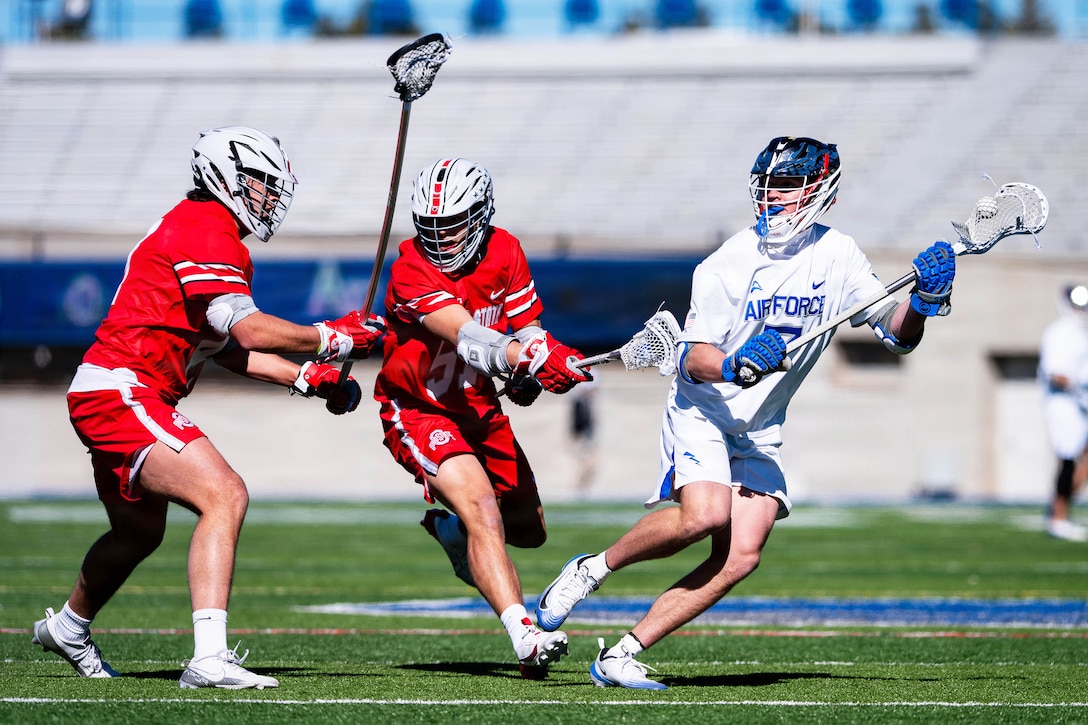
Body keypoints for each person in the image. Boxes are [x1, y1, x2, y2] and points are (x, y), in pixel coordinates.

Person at [533, 136, 957, 689]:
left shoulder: (840, 255)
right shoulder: (725, 263)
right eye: (768, 188)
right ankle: (591, 569)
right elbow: (696, 359)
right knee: (704, 515)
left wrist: (922, 303)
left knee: (741, 555)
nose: (772, 200)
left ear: (820, 190)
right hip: (704, 407)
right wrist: (736, 365)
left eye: (786, 188)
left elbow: (897, 336)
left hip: (760, 426)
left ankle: (621, 655)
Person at [32, 126, 385, 689]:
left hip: (117, 391)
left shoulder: (207, 231)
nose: (271, 196)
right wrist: (331, 338)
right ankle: (209, 658)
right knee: (225, 493)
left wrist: (306, 378)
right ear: (227, 176)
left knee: (137, 535)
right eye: (261, 183)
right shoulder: (205, 228)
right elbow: (248, 327)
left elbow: (229, 351)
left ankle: (70, 627)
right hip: (123, 390)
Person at [372, 157, 593, 678]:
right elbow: (471, 337)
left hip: (479, 408)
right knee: (481, 508)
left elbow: (528, 332)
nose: (442, 241)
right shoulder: (409, 268)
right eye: (431, 229)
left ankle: (454, 535)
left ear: (481, 214)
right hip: (420, 407)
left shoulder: (505, 250)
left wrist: (534, 369)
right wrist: (529, 358)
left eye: (452, 227)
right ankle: (525, 637)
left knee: (529, 531)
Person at [1038, 284, 1088, 542]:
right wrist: (1080, 388)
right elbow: (1058, 374)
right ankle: (1057, 517)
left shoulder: (1079, 333)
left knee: (1082, 459)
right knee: (1068, 458)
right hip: (1064, 403)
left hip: (1079, 403)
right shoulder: (1060, 333)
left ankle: (1060, 509)